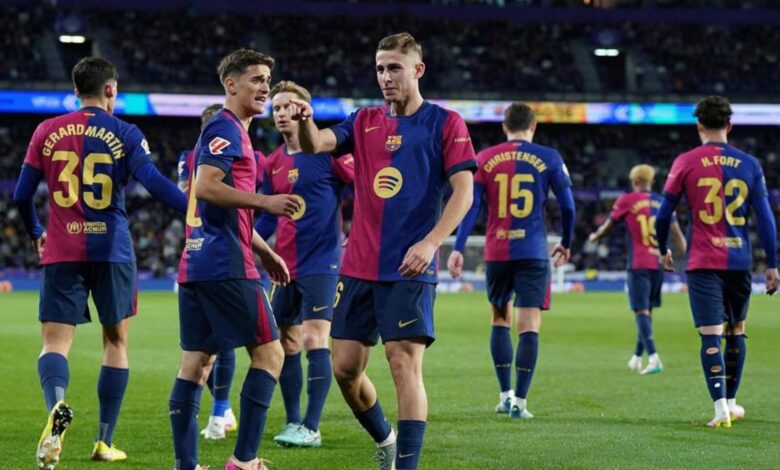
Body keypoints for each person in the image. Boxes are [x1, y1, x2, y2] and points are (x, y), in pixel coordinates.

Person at [288, 32, 477, 470]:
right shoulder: (363, 120)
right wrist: (305, 121)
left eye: (394, 67)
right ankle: (386, 439)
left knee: (402, 363)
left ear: (418, 69)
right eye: (379, 68)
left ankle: (406, 465)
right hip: (358, 266)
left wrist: (431, 242)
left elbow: (464, 192)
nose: (386, 76)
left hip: (409, 267)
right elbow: (316, 144)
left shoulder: (445, 122)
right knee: (344, 369)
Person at [12, 56, 187, 468]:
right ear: (110, 89)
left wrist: (36, 230)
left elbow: (20, 195)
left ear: (76, 90)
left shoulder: (45, 130)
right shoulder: (126, 132)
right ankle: (104, 441)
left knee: (55, 344)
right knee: (115, 343)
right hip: (112, 251)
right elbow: (154, 183)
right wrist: (195, 211)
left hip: (61, 249)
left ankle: (57, 407)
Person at [169, 49, 300, 470]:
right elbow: (206, 188)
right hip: (226, 265)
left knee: (196, 364)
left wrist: (266, 251)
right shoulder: (225, 127)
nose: (265, 88)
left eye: (267, 81)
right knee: (271, 355)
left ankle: (186, 465)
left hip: (197, 263)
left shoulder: (226, 131)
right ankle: (243, 462)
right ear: (231, 84)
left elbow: (221, 209)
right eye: (257, 79)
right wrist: (266, 202)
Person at [655, 96, 778, 428]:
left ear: (699, 126)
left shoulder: (685, 161)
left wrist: (663, 247)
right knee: (737, 329)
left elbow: (663, 214)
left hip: (702, 260)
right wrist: (773, 263)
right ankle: (733, 403)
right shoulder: (750, 164)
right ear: (730, 125)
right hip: (739, 260)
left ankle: (720, 407)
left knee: (710, 334)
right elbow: (765, 218)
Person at [447, 102, 575, 419]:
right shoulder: (550, 157)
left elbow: (471, 206)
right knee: (529, 324)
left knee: (500, 319)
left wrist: (458, 247)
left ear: (504, 127)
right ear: (533, 126)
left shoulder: (484, 158)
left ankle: (504, 395)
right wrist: (566, 241)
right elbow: (568, 207)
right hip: (532, 251)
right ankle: (521, 402)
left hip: (497, 252)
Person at [254, 80, 354, 448]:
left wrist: (358, 230)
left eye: (289, 106)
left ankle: (312, 426)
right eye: (277, 107)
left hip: (323, 262)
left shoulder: (329, 154)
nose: (282, 113)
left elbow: (367, 190)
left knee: (314, 338)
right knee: (287, 341)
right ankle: (294, 420)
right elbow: (269, 216)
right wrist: (247, 239)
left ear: (304, 110)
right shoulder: (273, 163)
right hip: (284, 265)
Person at [176, 103, 258, 440]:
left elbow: (184, 194)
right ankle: (224, 417)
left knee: (199, 355)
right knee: (259, 350)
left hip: (194, 253)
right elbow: (205, 195)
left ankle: (216, 417)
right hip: (224, 254)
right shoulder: (231, 151)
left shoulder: (189, 158)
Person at [588, 164, 687, 375]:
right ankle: (636, 357)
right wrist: (682, 255)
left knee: (641, 311)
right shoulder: (663, 201)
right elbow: (678, 235)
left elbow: (608, 226)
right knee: (647, 311)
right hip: (658, 263)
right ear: (652, 182)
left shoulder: (626, 200)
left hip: (639, 263)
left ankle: (654, 358)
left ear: (634, 182)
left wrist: (596, 236)